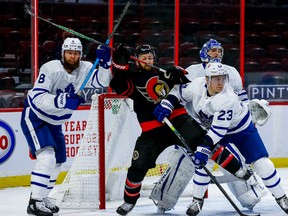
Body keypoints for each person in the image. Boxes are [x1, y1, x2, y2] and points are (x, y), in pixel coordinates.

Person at [109, 43, 252, 215]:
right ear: (136, 62)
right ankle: (129, 202)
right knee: (138, 166)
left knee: (205, 143)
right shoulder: (131, 78)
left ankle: (238, 169)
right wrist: (120, 64)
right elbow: (118, 85)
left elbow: (190, 85)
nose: (148, 61)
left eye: (150, 58)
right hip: (151, 130)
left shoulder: (165, 72)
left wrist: (177, 73)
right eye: (143, 59)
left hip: (178, 120)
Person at [154, 62, 288, 215]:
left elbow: (218, 131)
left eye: (222, 78)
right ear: (207, 79)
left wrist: (204, 147)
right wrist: (167, 103)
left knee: (263, 165)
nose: (220, 82)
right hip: (213, 129)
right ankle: (197, 201)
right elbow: (178, 91)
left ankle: (281, 197)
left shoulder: (227, 99)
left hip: (241, 129)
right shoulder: (197, 85)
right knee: (202, 164)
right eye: (216, 78)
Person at [20, 37, 112, 216]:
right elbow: (37, 97)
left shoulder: (86, 68)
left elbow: (103, 82)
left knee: (59, 162)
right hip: (36, 117)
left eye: (76, 53)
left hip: (56, 123)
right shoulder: (50, 68)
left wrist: (105, 64)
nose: (73, 56)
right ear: (62, 53)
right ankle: (34, 202)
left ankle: (43, 197)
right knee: (47, 157)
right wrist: (62, 100)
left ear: (80, 55)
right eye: (69, 53)